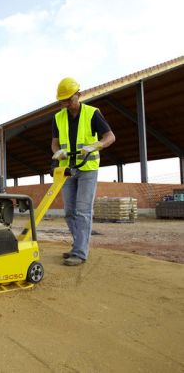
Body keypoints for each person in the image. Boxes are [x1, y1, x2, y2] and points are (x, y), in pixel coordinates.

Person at [52, 77, 116, 266]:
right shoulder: (58, 117)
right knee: (69, 211)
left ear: (78, 95)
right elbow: (54, 143)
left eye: (68, 99)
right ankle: (78, 245)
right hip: (68, 170)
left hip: (88, 169)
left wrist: (97, 145)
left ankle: (80, 252)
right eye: (62, 101)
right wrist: (57, 152)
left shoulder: (92, 113)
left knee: (83, 211)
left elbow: (110, 136)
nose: (65, 104)